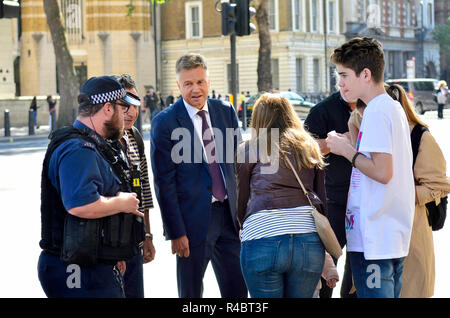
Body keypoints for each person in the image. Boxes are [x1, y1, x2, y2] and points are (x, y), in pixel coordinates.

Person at [150, 53, 247, 298]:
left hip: (229, 218)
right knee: (191, 293)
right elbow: (164, 183)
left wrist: (244, 213)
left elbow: (238, 165)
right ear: (178, 86)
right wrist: (175, 232)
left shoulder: (225, 111)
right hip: (191, 224)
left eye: (200, 82)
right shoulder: (165, 122)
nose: (196, 89)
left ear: (208, 81)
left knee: (237, 289)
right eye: (188, 84)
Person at [38, 76, 145, 297]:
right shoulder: (79, 149)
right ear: (108, 108)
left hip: (90, 263)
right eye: (121, 107)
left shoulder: (93, 144)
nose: (125, 116)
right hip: (76, 269)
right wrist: (123, 203)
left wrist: (111, 255)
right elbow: (81, 204)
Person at [326, 37, 415, 298]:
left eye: (344, 75)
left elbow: (382, 172)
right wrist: (351, 142)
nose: (339, 83)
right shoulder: (390, 107)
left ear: (365, 74)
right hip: (387, 236)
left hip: (376, 240)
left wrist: (346, 151)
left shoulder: (377, 111)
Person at [236, 93, 327, 298]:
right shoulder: (309, 146)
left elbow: (241, 197)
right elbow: (320, 196)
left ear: (258, 120)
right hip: (307, 239)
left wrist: (243, 224)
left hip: (262, 237)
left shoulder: (249, 149)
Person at [304, 89, 357, 298]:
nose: (345, 84)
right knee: (326, 268)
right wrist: (332, 144)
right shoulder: (322, 110)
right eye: (341, 77)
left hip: (365, 204)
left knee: (358, 271)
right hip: (331, 202)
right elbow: (305, 149)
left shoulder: (373, 107)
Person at [115, 74, 156, 298]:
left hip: (134, 240)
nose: (131, 112)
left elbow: (145, 191)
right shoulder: (100, 140)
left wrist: (147, 235)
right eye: (125, 105)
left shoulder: (134, 137)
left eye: (135, 104)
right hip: (110, 248)